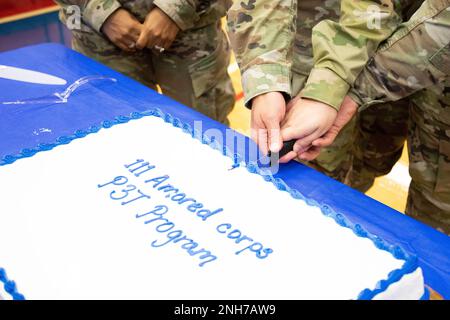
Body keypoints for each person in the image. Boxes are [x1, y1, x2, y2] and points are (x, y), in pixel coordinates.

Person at [283, 1, 450, 234]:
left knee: (436, 221)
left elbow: (443, 29)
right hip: (375, 49)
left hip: (416, 67)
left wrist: (338, 93)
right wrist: (329, 89)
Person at [228, 0, 416, 189]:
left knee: (375, 157)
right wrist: (266, 77)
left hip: (407, 62)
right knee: (310, 176)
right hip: (314, 55)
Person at [55, 0, 235, 124]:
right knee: (118, 138)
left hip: (192, 32)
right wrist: (101, 10)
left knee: (205, 138)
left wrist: (175, 8)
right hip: (100, 38)